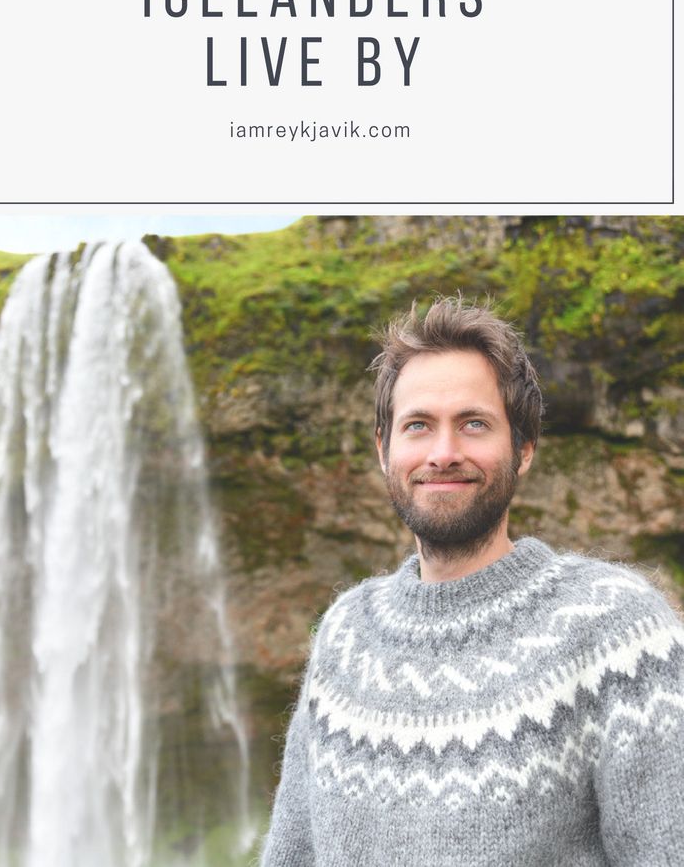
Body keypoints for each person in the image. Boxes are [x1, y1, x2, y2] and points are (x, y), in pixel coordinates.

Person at [260, 296, 684, 867]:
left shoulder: (621, 634)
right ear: (384, 452)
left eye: (474, 424)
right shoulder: (344, 637)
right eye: (418, 426)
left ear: (524, 448)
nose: (443, 453)